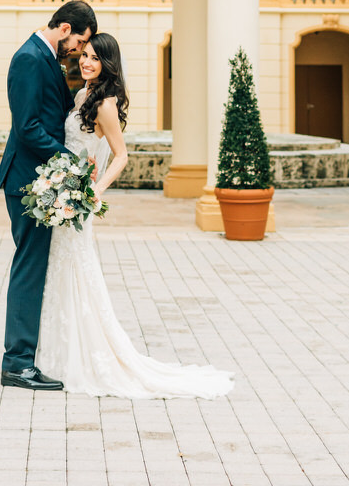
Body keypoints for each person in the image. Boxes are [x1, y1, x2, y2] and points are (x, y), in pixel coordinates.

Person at [35, 33, 234, 398]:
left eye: (95, 58)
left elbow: (121, 155)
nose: (86, 62)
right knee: (63, 269)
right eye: (85, 56)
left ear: (108, 63)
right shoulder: (82, 95)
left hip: (79, 199)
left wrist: (93, 191)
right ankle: (57, 351)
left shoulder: (105, 103)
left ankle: (79, 354)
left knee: (76, 268)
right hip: (67, 191)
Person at [0, 0, 97, 390]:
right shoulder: (29, 58)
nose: (78, 50)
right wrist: (69, 160)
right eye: (80, 41)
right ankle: (18, 363)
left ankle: (26, 356)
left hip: (39, 176)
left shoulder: (46, 56)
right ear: (66, 27)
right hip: (27, 181)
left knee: (35, 263)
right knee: (30, 265)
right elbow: (27, 127)